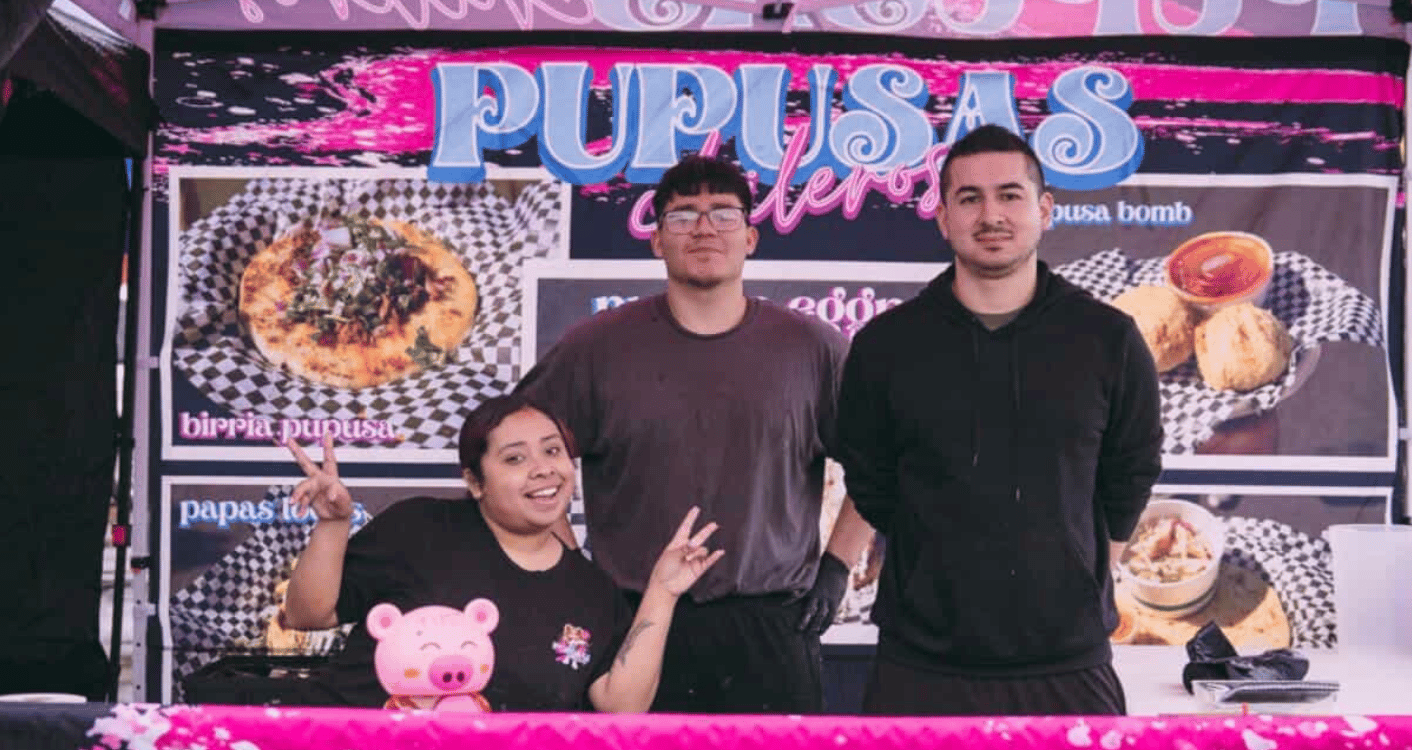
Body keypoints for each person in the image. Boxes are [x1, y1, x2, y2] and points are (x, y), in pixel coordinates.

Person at [517, 155, 874, 714]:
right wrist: (569, 571)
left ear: (750, 238)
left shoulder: (812, 348)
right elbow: (511, 455)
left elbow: (880, 461)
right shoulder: (595, 348)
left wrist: (836, 567)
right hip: (635, 620)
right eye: (683, 216)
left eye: (723, 214)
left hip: (770, 627)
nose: (704, 229)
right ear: (657, 240)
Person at [835, 124, 1163, 716]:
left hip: (1067, 667)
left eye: (1010, 195)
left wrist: (1074, 570)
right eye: (970, 198)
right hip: (920, 669)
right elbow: (872, 485)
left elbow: (1131, 474)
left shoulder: (1107, 339)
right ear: (943, 218)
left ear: (1045, 210)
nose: (991, 215)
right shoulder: (886, 346)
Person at [279, 394, 724, 712]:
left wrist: (662, 593)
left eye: (553, 451)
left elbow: (621, 706)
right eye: (515, 459)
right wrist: (333, 524)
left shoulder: (590, 591)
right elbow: (307, 614)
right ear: (475, 482)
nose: (543, 469)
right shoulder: (419, 528)